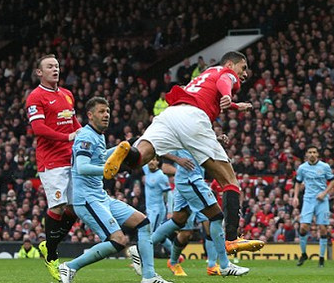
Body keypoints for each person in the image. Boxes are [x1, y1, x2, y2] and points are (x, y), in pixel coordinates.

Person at [103, 51, 260, 254]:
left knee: (139, 158)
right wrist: (229, 95)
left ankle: (124, 149)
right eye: (243, 68)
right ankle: (231, 239)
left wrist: (235, 105)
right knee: (230, 181)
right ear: (230, 63)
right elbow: (225, 81)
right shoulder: (227, 73)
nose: (245, 73)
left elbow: (213, 92)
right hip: (194, 117)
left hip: (170, 115)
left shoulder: (206, 74)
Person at [57, 97, 174, 283]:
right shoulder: (86, 136)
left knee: (143, 223)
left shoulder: (98, 135)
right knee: (118, 240)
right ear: (90, 115)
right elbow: (82, 166)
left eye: (108, 111)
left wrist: (123, 149)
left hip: (99, 196)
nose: (106, 115)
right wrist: (107, 170)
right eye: (101, 111)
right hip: (86, 199)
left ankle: (149, 276)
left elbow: (101, 157)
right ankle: (70, 266)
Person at [146, 149, 251, 277]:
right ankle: (170, 260)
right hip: (188, 182)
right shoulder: (177, 135)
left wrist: (215, 140)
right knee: (188, 230)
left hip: (193, 181)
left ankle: (213, 265)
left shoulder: (194, 137)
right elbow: (162, 154)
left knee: (203, 221)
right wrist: (179, 163)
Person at [24, 53, 81, 282]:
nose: (55, 69)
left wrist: (87, 135)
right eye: (49, 66)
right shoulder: (35, 97)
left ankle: (49, 245)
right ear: (40, 72)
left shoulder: (67, 94)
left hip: (71, 158)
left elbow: (74, 123)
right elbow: (38, 129)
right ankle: (53, 257)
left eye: (57, 66)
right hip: (51, 160)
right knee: (57, 205)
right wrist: (68, 137)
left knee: (76, 208)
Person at [291, 146, 334, 268]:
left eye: (314, 152)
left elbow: (332, 181)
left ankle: (321, 258)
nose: (312, 154)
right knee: (303, 227)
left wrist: (324, 193)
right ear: (306, 154)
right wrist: (295, 196)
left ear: (317, 154)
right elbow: (298, 182)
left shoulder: (325, 167)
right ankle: (304, 254)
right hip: (308, 200)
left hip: (322, 200)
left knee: (322, 229)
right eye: (310, 152)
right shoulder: (302, 168)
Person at [143, 156, 175, 258]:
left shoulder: (161, 176)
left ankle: (143, 258)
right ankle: (176, 254)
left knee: (150, 234)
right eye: (149, 160)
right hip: (149, 209)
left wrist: (170, 211)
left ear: (158, 162)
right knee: (159, 235)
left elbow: (169, 194)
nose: (151, 162)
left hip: (157, 210)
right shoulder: (147, 171)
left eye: (153, 160)